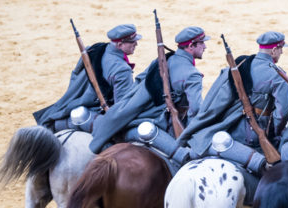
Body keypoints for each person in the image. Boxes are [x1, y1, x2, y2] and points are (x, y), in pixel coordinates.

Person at [88, 26, 210, 155]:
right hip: (160, 122)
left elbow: (139, 82)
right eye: (202, 43)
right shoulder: (193, 75)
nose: (205, 47)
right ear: (191, 46)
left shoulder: (163, 60)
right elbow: (195, 110)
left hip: (137, 115)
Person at [180, 31, 288, 159]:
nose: (281, 52)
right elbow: (283, 113)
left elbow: (215, 102)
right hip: (255, 137)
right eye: (281, 49)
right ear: (273, 50)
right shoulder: (277, 76)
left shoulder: (239, 65)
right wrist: (276, 133)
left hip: (229, 127)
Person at [33, 23, 140, 129]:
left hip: (70, 104)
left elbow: (75, 75)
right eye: (132, 42)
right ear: (120, 45)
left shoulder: (94, 49)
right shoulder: (122, 70)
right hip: (92, 112)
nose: (136, 44)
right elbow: (121, 109)